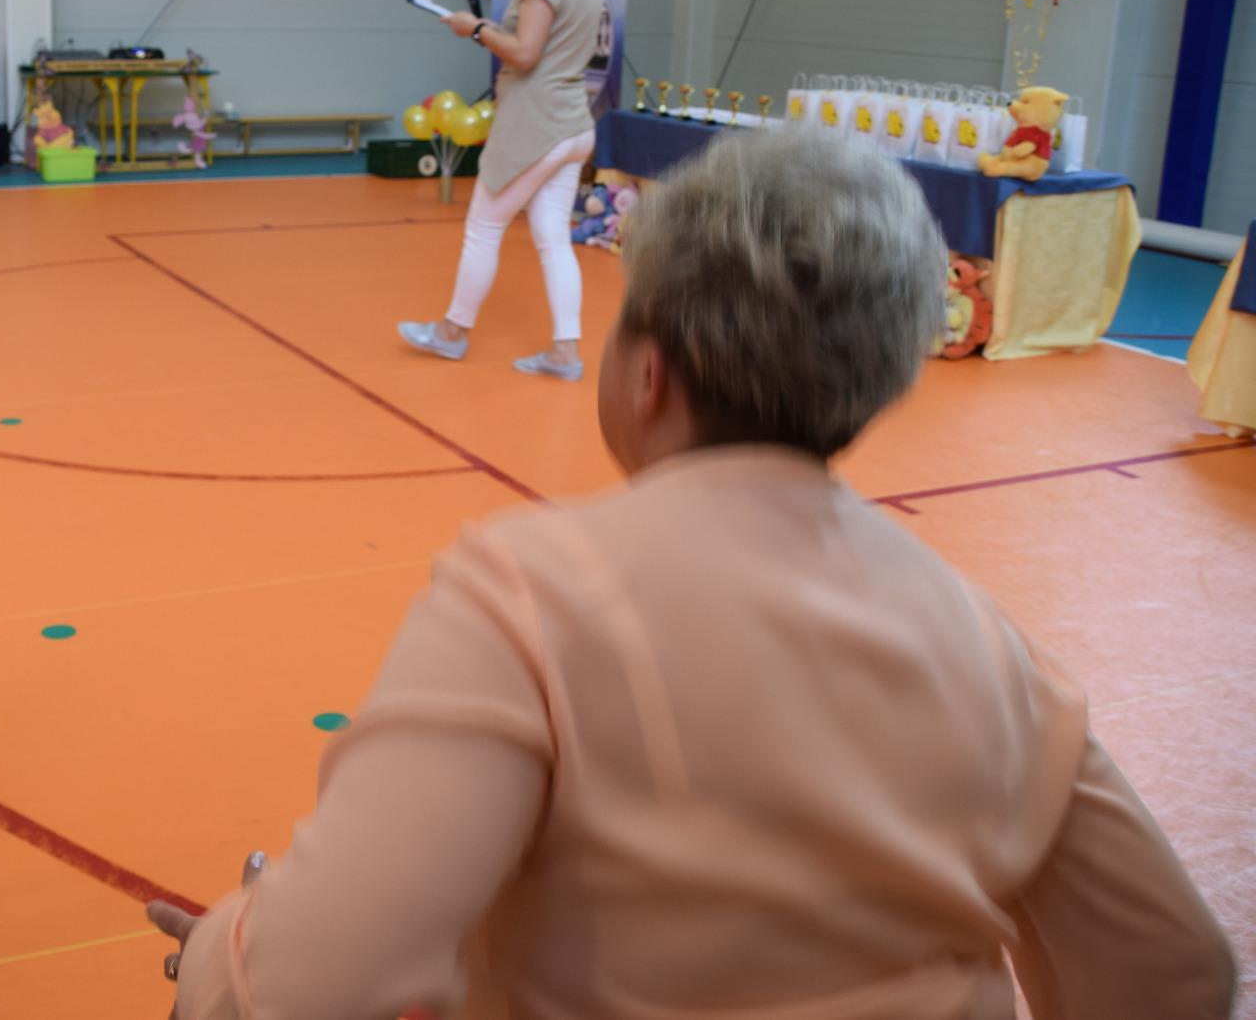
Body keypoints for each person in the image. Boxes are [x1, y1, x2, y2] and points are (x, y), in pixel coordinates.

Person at [152, 130, 1237, 1020]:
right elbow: (1174, 974)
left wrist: (222, 958)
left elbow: (305, 982)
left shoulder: (528, 593)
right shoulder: (1001, 655)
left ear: (650, 369)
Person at [399, 0, 607, 381]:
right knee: (553, 238)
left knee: (484, 226)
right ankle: (564, 351)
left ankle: (452, 333)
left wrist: (473, 27)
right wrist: (486, 33)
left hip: (537, 123)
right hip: (574, 122)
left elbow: (526, 52)